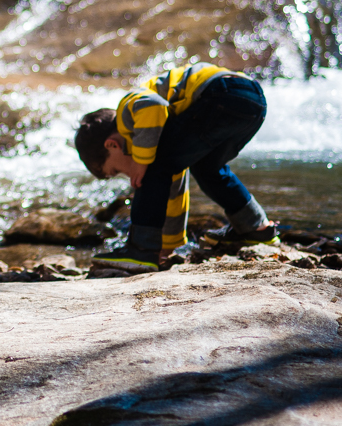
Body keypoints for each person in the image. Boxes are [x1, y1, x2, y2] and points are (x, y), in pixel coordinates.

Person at [74, 61, 278, 275]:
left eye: (116, 170)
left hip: (221, 93)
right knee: (207, 169)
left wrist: (142, 161)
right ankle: (256, 227)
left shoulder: (127, 110)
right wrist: (169, 246)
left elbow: (153, 104)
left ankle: (140, 250)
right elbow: (175, 187)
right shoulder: (162, 141)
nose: (126, 175)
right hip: (253, 100)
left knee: (154, 168)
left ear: (112, 145)